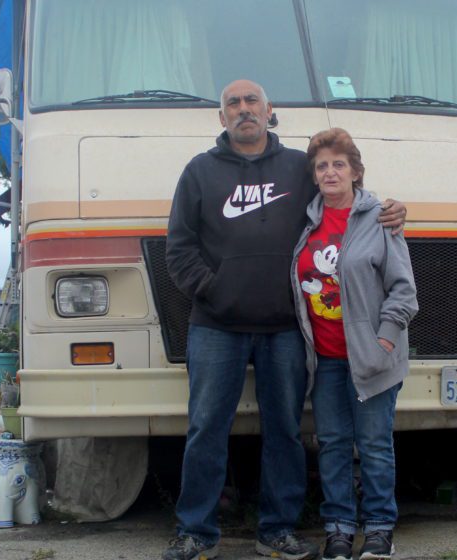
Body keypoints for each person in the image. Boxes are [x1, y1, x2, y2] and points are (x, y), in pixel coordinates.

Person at [163, 81, 406, 560]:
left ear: (269, 111)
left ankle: (276, 530)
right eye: (233, 104)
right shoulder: (199, 172)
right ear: (222, 118)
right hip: (215, 326)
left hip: (286, 329)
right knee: (206, 428)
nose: (243, 110)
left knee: (285, 431)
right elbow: (179, 248)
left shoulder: (298, 167)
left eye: (252, 101)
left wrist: (389, 209)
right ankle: (196, 532)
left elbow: (344, 198)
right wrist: (216, 290)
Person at [291, 128, 417, 560]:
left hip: (372, 358)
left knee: (376, 446)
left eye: (338, 164)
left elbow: (404, 291)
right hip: (324, 360)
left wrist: (384, 340)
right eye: (322, 166)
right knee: (332, 445)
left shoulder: (381, 219)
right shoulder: (305, 223)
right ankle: (339, 529)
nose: (330, 172)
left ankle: (380, 529)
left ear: (355, 172)